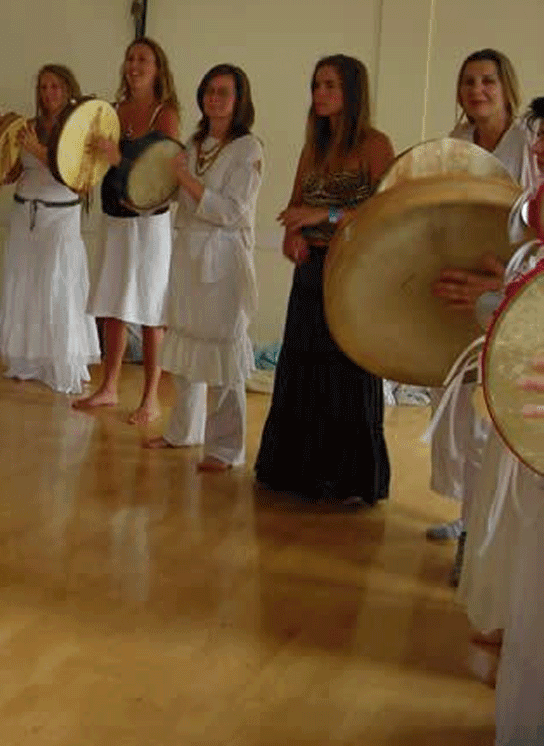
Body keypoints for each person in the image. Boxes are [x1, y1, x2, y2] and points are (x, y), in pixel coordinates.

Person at [254, 54, 395, 504]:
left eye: (330, 85)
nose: (320, 93)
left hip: (353, 271)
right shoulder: (313, 146)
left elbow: (383, 212)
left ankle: (349, 478)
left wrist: (323, 214)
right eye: (316, 84)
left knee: (346, 371)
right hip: (311, 270)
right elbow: (295, 204)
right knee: (304, 366)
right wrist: (293, 232)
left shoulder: (375, 145)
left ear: (351, 92)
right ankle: (299, 471)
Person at [425, 49, 537, 560]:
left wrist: (509, 276)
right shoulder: (455, 146)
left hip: (511, 288)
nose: (478, 90)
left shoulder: (529, 145)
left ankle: (482, 540)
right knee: (451, 406)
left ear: (505, 87)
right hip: (459, 281)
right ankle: (469, 516)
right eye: (469, 81)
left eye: (488, 81)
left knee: (491, 415)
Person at [147, 64, 262, 471]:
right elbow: (179, 192)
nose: (215, 98)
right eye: (209, 90)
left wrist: (185, 179)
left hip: (224, 258)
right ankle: (183, 431)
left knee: (223, 353)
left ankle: (225, 448)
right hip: (188, 254)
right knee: (186, 344)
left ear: (238, 99)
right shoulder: (195, 144)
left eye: (223, 92)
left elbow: (231, 210)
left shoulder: (248, 148)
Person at [76, 36, 180, 424]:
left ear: (157, 69)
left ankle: (151, 398)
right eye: (130, 58)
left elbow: (165, 167)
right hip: (115, 218)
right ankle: (109, 387)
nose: (134, 65)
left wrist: (120, 156)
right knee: (113, 305)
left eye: (143, 60)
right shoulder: (113, 110)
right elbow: (95, 161)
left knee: (152, 310)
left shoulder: (164, 114)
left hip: (149, 225)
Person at [0, 64, 99, 394]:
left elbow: (80, 183)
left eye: (55, 87)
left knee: (59, 286)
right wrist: (3, 166)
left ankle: (61, 363)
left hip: (61, 218)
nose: (48, 93)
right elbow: (13, 171)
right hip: (26, 213)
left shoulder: (81, 130)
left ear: (68, 90)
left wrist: (39, 151)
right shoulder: (26, 126)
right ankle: (27, 360)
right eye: (43, 87)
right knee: (25, 284)